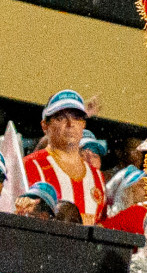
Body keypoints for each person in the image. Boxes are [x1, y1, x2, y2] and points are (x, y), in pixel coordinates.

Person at [21, 91, 104, 224]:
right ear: (45, 126)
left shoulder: (97, 177)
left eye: (76, 118)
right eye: (60, 118)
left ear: (83, 124)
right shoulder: (29, 166)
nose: (71, 124)